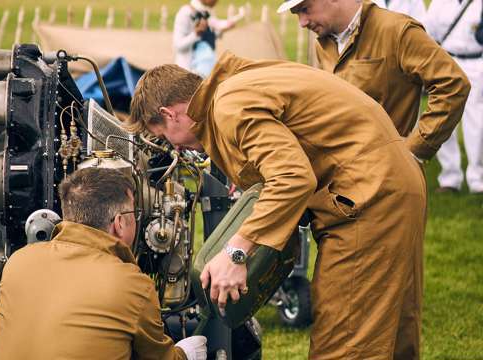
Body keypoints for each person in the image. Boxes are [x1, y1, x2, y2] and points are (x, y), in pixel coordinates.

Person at [127, 52, 427, 359]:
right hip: (391, 184)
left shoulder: (229, 104)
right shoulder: (235, 86)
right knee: (394, 335)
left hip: (369, 197)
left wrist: (236, 252)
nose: (174, 147)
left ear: (171, 113)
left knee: (345, 338)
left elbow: (292, 178)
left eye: (164, 134)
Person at [0, 167, 207, 360]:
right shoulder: (132, 285)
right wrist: (185, 354)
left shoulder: (19, 261)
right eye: (134, 213)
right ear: (119, 223)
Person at [280, 0, 470, 165]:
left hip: (389, 175)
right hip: (342, 174)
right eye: (296, 14)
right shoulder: (323, 43)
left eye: (305, 9)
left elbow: (453, 84)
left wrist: (416, 149)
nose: (302, 23)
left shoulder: (397, 30)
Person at [424, 0, 483, 193]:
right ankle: (450, 178)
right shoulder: (440, 2)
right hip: (447, 62)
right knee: (443, 120)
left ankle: (478, 179)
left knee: (476, 123)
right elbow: (428, 31)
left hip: (477, 62)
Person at [173, 0, 244, 77]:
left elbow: (208, 37)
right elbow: (178, 45)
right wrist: (196, 34)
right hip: (187, 74)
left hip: (205, 72)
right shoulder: (185, 13)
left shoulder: (206, 12)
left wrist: (222, 30)